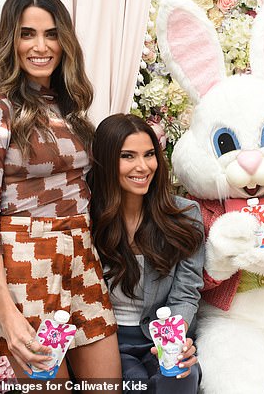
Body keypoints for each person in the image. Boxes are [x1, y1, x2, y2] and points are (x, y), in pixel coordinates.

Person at [0, 0, 120, 383]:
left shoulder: (70, 108)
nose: (41, 46)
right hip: (23, 267)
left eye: (51, 34)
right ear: (10, 40)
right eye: (27, 33)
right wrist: (5, 310)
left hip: (81, 259)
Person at [88, 113, 204, 394]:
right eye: (128, 156)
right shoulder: (87, 220)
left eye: (149, 154)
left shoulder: (185, 215)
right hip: (109, 341)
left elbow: (187, 292)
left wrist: (176, 340)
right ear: (105, 161)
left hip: (164, 332)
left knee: (180, 377)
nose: (143, 166)